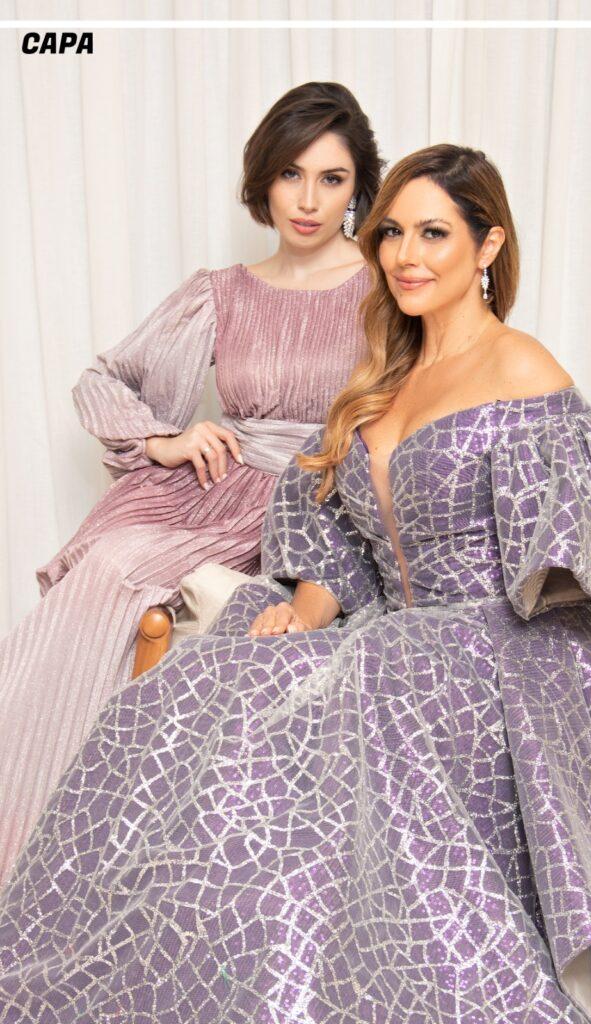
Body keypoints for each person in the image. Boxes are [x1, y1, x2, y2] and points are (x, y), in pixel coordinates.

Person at [0, 144, 591, 1024]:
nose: (405, 256)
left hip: (500, 646)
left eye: (434, 234)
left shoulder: (521, 368)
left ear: (489, 245)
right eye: (391, 234)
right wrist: (306, 613)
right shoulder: (381, 373)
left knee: (371, 693)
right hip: (390, 631)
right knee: (194, 692)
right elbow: (337, 533)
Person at [0, 81, 384, 888]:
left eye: (331, 179)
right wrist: (167, 438)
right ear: (264, 178)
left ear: (358, 189)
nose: (307, 200)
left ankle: (56, 859)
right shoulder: (223, 291)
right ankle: (26, 842)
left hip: (311, 503)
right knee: (96, 580)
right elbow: (102, 379)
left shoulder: (385, 288)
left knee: (120, 573)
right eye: (291, 174)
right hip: (208, 492)